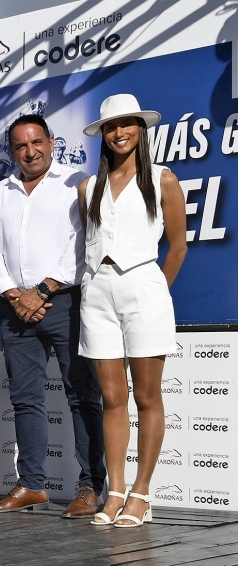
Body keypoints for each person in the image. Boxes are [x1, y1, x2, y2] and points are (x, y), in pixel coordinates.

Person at [0, 115, 106, 518]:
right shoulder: (0, 192)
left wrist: (44, 290)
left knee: (81, 396)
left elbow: (81, 241)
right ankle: (33, 485)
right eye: (20, 145)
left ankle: (91, 486)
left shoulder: (76, 183)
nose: (30, 151)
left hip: (65, 302)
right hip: (15, 308)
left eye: (36, 142)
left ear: (52, 142)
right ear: (11, 150)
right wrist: (14, 294)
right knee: (25, 399)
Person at [78, 94, 188, 528]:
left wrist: (155, 291)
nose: (119, 132)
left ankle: (141, 494)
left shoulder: (163, 180)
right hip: (96, 294)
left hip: (144, 290)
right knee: (111, 398)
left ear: (141, 129)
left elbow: (177, 247)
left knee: (146, 396)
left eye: (127, 124)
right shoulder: (89, 187)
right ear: (103, 134)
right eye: (110, 126)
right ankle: (116, 491)